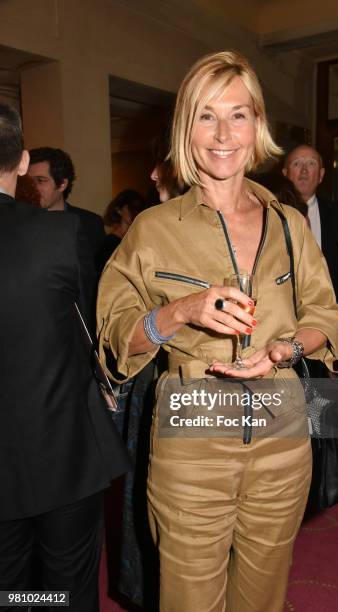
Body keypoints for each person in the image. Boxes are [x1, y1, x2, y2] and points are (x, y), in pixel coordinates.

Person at [97, 51, 338, 611]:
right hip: (192, 430)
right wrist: (181, 311)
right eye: (206, 116)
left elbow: (328, 320)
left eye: (238, 115)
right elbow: (116, 338)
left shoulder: (288, 224)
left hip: (282, 427)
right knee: (188, 599)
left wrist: (285, 347)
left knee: (263, 596)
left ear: (257, 125)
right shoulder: (153, 228)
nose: (222, 134)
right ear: (186, 128)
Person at [0, 103, 129, 611]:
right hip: (60, 447)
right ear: (22, 159)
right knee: (64, 587)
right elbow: (90, 327)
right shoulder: (56, 234)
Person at [283, 145, 338, 354]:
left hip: (328, 324)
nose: (304, 170)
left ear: (321, 175)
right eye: (297, 164)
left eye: (311, 164)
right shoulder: (267, 214)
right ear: (285, 173)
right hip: (282, 326)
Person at [28, 146, 105, 261]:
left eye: (40, 180)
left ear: (62, 184)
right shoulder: (21, 223)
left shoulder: (90, 224)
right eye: (29, 181)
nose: (32, 188)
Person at [97, 188, 145, 274]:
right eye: (131, 208)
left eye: (138, 209)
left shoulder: (140, 239)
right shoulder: (109, 243)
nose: (135, 212)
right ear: (119, 210)